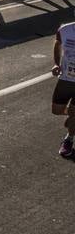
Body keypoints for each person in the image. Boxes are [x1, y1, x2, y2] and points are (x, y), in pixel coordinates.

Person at [51, 20, 75, 157]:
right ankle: (73, 115)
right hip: (66, 78)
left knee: (74, 115)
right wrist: (56, 63)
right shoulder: (65, 29)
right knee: (56, 110)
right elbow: (57, 43)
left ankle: (69, 139)